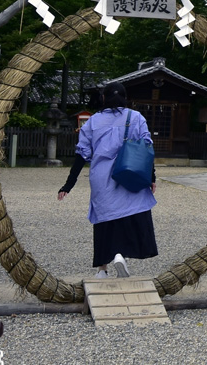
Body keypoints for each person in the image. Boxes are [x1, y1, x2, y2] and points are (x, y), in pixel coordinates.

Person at [58, 82, 158, 278]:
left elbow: (82, 154)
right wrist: (151, 177)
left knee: (104, 218)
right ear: (124, 97)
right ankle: (121, 255)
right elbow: (147, 148)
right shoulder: (136, 117)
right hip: (130, 173)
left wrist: (69, 184)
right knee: (129, 213)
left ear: (103, 98)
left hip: (102, 176)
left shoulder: (93, 122)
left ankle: (102, 269)